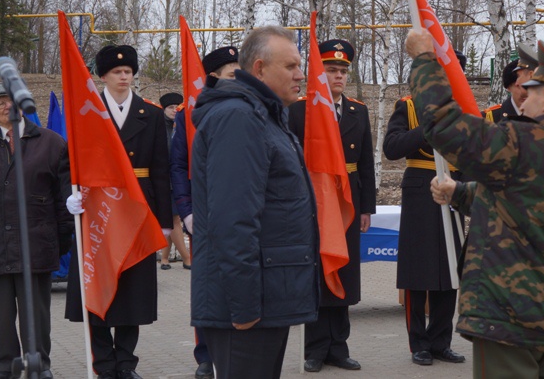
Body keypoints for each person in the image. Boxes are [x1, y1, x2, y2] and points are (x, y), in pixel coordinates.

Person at [404, 32, 544, 378]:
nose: (522, 102)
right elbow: (529, 202)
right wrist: (459, 193)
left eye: (529, 92)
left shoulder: (525, 141)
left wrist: (424, 59)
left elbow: (443, 125)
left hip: (513, 315)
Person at [190, 26, 319, 379]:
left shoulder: (265, 115)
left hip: (267, 296)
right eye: (291, 66)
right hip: (247, 307)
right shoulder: (240, 117)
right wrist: (244, 305)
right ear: (259, 69)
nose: (300, 75)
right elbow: (233, 220)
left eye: (300, 66)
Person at [65, 45, 173, 379]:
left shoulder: (150, 114)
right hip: (98, 208)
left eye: (128, 72)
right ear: (103, 76)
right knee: (98, 282)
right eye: (117, 72)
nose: (124, 77)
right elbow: (71, 162)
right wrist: (70, 196)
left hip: (138, 207)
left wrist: (164, 221)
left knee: (132, 290)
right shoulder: (87, 111)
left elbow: (161, 169)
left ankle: (126, 363)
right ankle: (103, 363)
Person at [287, 38, 377, 373]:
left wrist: (367, 207)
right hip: (314, 199)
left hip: (347, 199)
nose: (338, 76)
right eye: (331, 69)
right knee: (318, 271)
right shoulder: (299, 110)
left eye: (342, 70)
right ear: (319, 73)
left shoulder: (357, 111)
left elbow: (366, 163)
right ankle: (314, 348)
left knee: (345, 271)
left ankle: (338, 347)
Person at [0, 83, 72, 379]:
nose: (8, 106)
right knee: (1, 314)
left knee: (37, 314)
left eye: (12, 100)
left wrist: (62, 238)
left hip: (37, 241)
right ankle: (5, 365)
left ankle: (39, 364)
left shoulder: (51, 142)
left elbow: (63, 197)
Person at [383, 50, 468, 367]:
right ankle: (418, 342)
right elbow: (392, 148)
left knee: (450, 270)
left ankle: (441, 341)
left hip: (455, 187)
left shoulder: (464, 110)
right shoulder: (408, 106)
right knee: (417, 270)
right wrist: (426, 128)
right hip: (420, 189)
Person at [170, 45, 239, 379]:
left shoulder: (250, 108)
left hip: (240, 214)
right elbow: (178, 166)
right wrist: (186, 212)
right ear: (213, 77)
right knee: (207, 289)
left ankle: (236, 350)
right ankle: (205, 355)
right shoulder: (188, 114)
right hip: (203, 216)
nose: (239, 79)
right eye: (232, 74)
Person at [158, 92, 190, 272]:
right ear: (163, 109)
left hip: (178, 179)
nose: (174, 110)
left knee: (171, 219)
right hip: (165, 179)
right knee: (174, 219)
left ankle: (164, 258)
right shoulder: (159, 127)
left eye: (177, 107)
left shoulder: (182, 125)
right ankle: (187, 258)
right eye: (170, 107)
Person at [483, 45, 537, 122]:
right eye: (519, 86)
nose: (526, 92)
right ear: (508, 87)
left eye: (532, 87)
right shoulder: (489, 119)